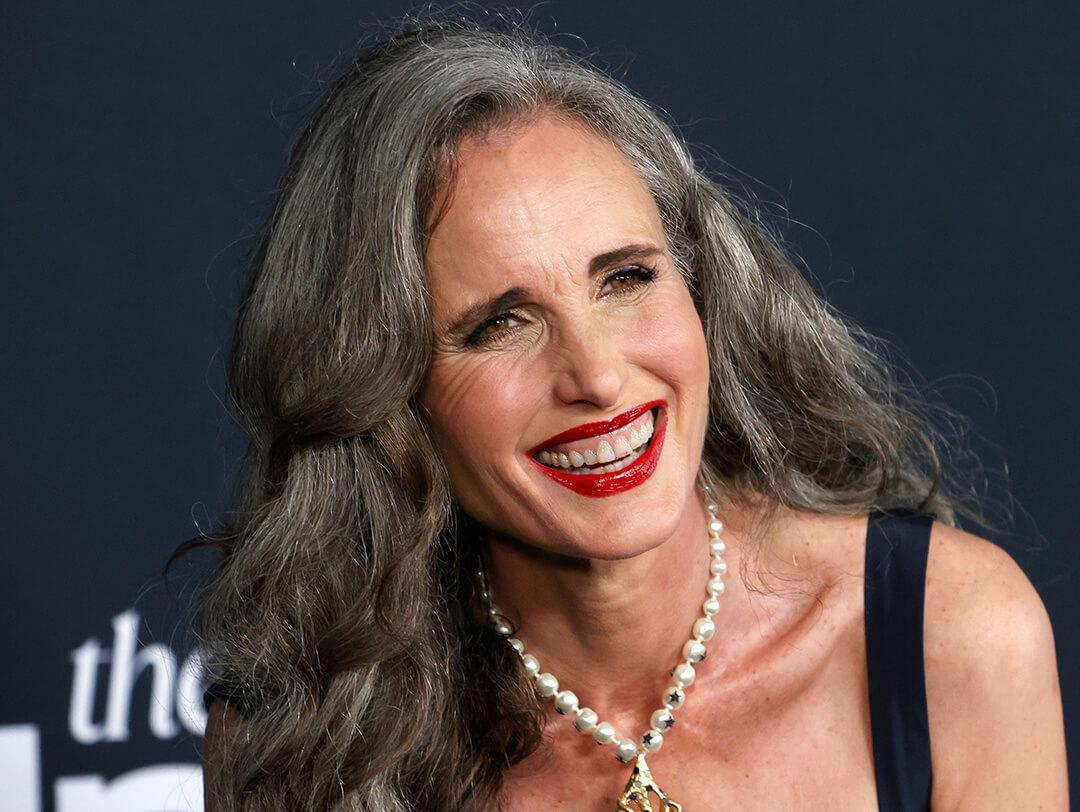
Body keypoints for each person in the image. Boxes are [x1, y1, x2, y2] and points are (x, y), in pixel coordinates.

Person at [190, 16, 1068, 811]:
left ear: (702, 289)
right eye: (500, 323)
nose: (598, 377)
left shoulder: (944, 633)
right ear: (382, 391)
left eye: (626, 278)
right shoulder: (303, 741)